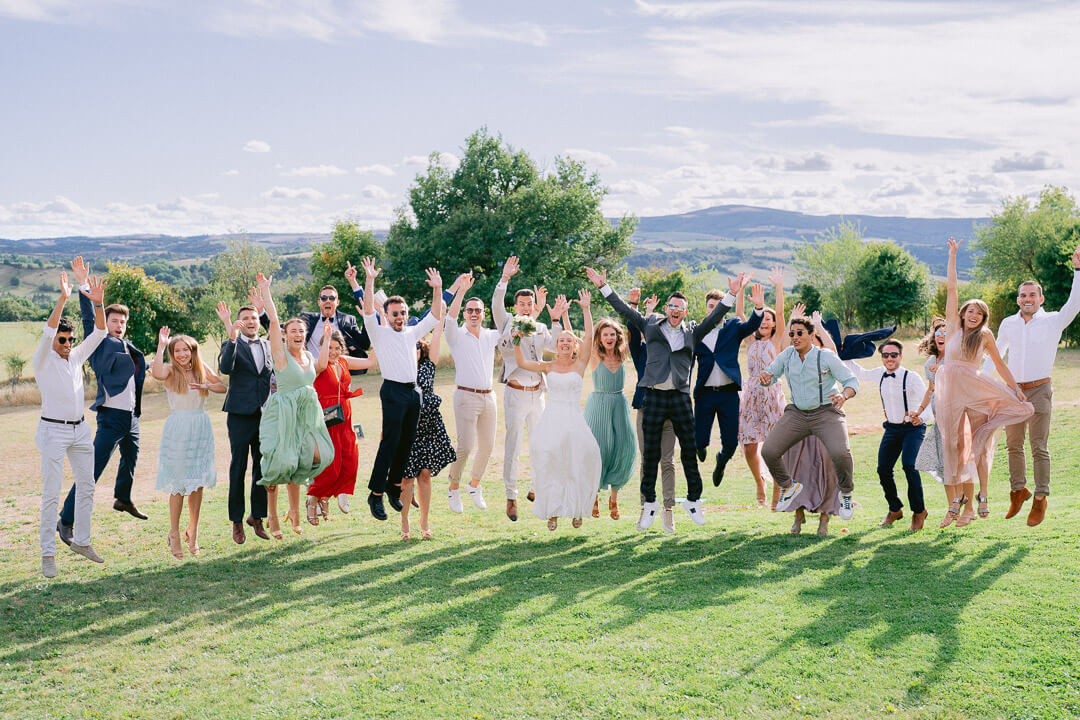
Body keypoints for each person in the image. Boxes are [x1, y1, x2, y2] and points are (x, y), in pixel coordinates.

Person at [588, 266, 748, 530]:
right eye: (672, 305)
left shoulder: (693, 331)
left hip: (680, 397)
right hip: (653, 397)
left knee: (688, 451)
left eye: (680, 307)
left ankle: (693, 500)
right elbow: (625, 312)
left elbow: (717, 314)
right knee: (650, 454)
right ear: (667, 309)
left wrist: (731, 294)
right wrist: (604, 287)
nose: (675, 310)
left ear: (685, 312)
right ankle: (649, 504)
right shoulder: (651, 324)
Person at [937, 237, 1033, 527]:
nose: (974, 315)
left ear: (983, 318)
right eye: (970, 311)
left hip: (975, 390)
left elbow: (1000, 364)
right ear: (963, 313)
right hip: (951, 392)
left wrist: (1016, 390)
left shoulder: (986, 336)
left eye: (979, 313)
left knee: (978, 444)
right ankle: (957, 499)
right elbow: (952, 287)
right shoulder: (952, 326)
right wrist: (953, 255)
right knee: (953, 444)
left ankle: (983, 494)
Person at [984, 244, 1080, 525]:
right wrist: (976, 379)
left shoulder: (1053, 321)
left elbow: (1075, 303)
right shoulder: (1008, 324)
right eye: (1023, 295)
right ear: (1018, 299)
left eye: (1032, 295)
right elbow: (995, 356)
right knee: (1013, 445)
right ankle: (1018, 491)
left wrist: (1077, 270)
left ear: (1041, 298)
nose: (1027, 299)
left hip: (1039, 390)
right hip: (1012, 391)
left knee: (1038, 445)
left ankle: (1040, 497)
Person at [57, 257, 148, 548]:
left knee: (131, 458)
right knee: (92, 471)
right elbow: (88, 319)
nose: (119, 325)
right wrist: (85, 287)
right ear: (104, 323)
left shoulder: (128, 345)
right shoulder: (99, 343)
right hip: (111, 417)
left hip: (131, 417)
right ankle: (65, 521)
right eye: (114, 321)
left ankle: (123, 498)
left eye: (122, 322)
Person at [34, 271, 108, 578]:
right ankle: (48, 553)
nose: (67, 344)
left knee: (87, 486)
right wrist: (64, 298)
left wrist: (98, 303)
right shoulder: (43, 359)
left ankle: (81, 541)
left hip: (80, 429)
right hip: (52, 430)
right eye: (62, 340)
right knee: (52, 492)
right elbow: (50, 329)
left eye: (70, 339)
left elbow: (100, 333)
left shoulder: (75, 357)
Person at [359, 257, 444, 521]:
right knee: (390, 443)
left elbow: (435, 315)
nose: (400, 317)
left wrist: (437, 288)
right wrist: (369, 280)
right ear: (386, 315)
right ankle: (375, 494)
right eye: (395, 313)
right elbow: (367, 309)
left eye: (403, 313)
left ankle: (393, 487)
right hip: (393, 391)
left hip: (414, 393)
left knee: (406, 444)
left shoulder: (412, 332)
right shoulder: (379, 332)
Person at [254, 272, 335, 536]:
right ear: (285, 336)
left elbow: (322, 367)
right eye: (293, 331)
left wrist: (326, 339)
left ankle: (295, 512)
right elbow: (274, 321)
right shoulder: (280, 356)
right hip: (283, 414)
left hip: (306, 415)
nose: (298, 334)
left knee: (315, 456)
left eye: (301, 331)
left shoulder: (309, 356)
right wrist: (266, 292)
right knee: (280, 465)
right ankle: (275, 518)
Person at [758, 316, 860, 520]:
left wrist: (844, 395)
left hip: (826, 412)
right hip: (797, 413)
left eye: (799, 333)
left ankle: (846, 493)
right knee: (769, 451)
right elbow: (771, 373)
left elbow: (851, 380)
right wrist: (766, 377)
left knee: (840, 452)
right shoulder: (787, 355)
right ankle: (789, 486)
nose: (795, 337)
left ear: (812, 336)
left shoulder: (825, 356)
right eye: (792, 334)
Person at [513, 290, 600, 530]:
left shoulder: (580, 364)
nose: (563, 343)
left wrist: (585, 309)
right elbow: (521, 363)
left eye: (568, 341)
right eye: (560, 340)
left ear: (574, 346)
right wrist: (517, 339)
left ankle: (577, 508)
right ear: (556, 344)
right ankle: (552, 511)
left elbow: (590, 337)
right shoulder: (548, 366)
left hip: (573, 419)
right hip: (552, 419)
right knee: (549, 461)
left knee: (579, 460)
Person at [493, 256, 561, 518]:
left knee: (540, 444)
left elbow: (554, 348)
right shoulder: (507, 322)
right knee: (513, 446)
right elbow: (496, 304)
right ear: (515, 305)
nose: (525, 306)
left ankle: (536, 488)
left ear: (534, 306)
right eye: (521, 303)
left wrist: (555, 320)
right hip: (515, 391)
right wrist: (505, 278)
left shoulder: (540, 326)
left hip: (538, 394)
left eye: (529, 303)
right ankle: (511, 496)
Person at [151, 327, 226, 558]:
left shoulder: (201, 369)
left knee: (197, 482)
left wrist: (207, 386)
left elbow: (222, 387)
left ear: (193, 351)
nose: (182, 354)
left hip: (200, 429)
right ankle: (174, 533)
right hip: (179, 430)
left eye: (186, 350)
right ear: (173, 353)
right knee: (179, 484)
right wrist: (161, 346)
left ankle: (193, 532)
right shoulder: (170, 371)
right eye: (178, 350)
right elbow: (155, 372)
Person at [843, 339, 933, 531]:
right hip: (892, 429)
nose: (890, 358)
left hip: (913, 428)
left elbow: (930, 402)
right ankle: (895, 509)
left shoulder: (912, 377)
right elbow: (860, 373)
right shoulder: (879, 374)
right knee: (883, 469)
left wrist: (921, 417)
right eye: (886, 355)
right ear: (882, 357)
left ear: (900, 357)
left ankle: (919, 511)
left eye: (893, 355)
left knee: (909, 466)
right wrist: (844, 353)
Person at [442, 273, 503, 517]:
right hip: (466, 397)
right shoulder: (455, 334)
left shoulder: (490, 335)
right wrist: (461, 292)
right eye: (470, 310)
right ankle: (453, 488)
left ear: (483, 314)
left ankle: (474, 485)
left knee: (487, 446)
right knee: (465, 447)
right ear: (466, 313)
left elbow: (514, 329)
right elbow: (450, 316)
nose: (474, 313)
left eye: (478, 310)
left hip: (489, 397)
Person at [694, 282, 765, 488]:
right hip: (705, 394)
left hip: (728, 394)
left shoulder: (733, 326)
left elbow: (752, 325)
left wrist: (759, 308)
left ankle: (721, 461)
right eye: (710, 306)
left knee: (731, 443)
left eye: (718, 306)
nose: (714, 310)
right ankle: (701, 446)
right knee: (699, 441)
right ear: (706, 308)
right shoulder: (697, 331)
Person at [216, 297, 273, 544]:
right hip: (240, 415)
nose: (251, 321)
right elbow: (226, 368)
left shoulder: (268, 345)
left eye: (254, 318)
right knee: (238, 468)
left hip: (265, 416)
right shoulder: (232, 343)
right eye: (246, 318)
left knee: (262, 468)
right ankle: (236, 522)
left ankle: (257, 517)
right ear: (240, 322)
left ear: (259, 321)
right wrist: (231, 336)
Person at [307, 324, 375, 524]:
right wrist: (326, 339)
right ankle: (314, 499)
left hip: (344, 416)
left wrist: (378, 329)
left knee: (351, 458)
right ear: (322, 347)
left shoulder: (343, 361)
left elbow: (370, 361)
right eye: (329, 348)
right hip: (326, 418)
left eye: (337, 348)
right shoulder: (317, 363)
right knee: (331, 466)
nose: (334, 352)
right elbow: (319, 365)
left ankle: (332, 495)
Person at [625, 289, 678, 532]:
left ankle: (668, 511)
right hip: (646, 409)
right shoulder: (640, 351)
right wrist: (634, 304)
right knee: (648, 462)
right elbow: (632, 331)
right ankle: (647, 507)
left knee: (667, 461)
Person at [400, 322, 456, 540]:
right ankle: (405, 521)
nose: (411, 350)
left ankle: (424, 520)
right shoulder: (397, 369)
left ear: (420, 347)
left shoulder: (428, 365)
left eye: (414, 346)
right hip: (406, 427)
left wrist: (439, 313)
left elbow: (437, 331)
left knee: (425, 473)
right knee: (406, 478)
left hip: (429, 426)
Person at [737, 268, 787, 508]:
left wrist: (778, 286)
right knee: (749, 446)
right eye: (762, 318)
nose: (765, 321)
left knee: (774, 445)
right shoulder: (749, 341)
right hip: (751, 395)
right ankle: (760, 481)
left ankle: (778, 485)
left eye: (769, 319)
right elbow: (738, 314)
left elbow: (779, 311)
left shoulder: (777, 341)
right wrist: (741, 289)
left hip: (772, 395)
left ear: (774, 324)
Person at [584, 316, 636, 520]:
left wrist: (637, 307)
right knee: (599, 450)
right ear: (600, 337)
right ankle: (594, 496)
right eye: (605, 334)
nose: (609, 337)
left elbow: (634, 331)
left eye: (612, 334)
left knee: (623, 447)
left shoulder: (622, 354)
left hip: (619, 404)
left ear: (617, 337)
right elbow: (586, 337)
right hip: (599, 405)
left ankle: (614, 499)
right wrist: (585, 310)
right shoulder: (595, 355)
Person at [261, 281, 370, 370]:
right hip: (312, 371)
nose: (328, 301)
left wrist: (367, 318)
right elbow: (278, 331)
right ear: (319, 302)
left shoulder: (348, 320)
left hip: (338, 373)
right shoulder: (307, 319)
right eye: (324, 298)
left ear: (337, 302)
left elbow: (364, 344)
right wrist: (261, 313)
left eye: (332, 298)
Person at [913, 318, 947, 487]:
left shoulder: (956, 359)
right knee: (940, 462)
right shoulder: (930, 363)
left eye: (945, 334)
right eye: (938, 334)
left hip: (955, 417)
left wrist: (943, 370)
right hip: (938, 419)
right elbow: (931, 389)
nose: (941, 336)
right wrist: (919, 411)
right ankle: (955, 499)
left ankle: (963, 498)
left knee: (955, 460)